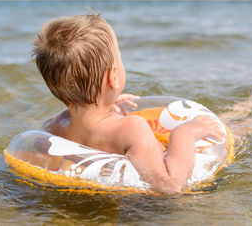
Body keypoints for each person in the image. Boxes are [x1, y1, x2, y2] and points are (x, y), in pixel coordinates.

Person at [32, 14, 227, 194]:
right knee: (232, 127)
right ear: (113, 77)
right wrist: (185, 133)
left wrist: (106, 103)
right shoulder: (131, 129)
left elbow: (41, 146)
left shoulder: (57, 124)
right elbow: (171, 185)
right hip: (145, 209)